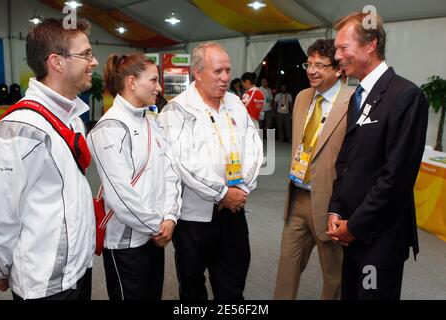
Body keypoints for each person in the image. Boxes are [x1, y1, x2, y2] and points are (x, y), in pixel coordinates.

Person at [327, 12, 428, 300]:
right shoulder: (359, 95)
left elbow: (396, 177)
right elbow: (347, 160)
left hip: (380, 237)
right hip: (351, 231)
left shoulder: (406, 96)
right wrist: (336, 210)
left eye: (343, 48)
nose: (337, 56)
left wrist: (355, 226)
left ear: (370, 45)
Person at [0, 18, 97, 300]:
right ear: (56, 62)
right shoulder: (19, 128)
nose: (94, 62)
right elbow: (2, 211)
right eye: (86, 54)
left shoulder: (73, 117)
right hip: (44, 284)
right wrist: (0, 269)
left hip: (78, 270)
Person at [158, 42, 263, 300]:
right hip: (194, 218)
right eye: (218, 71)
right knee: (192, 286)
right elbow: (183, 162)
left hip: (234, 211)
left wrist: (240, 188)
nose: (225, 78)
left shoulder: (236, 104)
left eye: (228, 70)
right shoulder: (177, 110)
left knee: (233, 283)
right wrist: (222, 193)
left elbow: (254, 146)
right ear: (198, 72)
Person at [87, 53, 182, 300]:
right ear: (131, 82)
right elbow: (121, 195)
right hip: (126, 246)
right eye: (153, 80)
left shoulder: (151, 120)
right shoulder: (108, 128)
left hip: (155, 236)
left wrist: (170, 216)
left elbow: (170, 172)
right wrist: (157, 227)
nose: (159, 88)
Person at [274, 39, 353, 300]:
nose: (312, 70)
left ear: (339, 69)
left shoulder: (353, 102)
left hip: (331, 204)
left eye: (320, 65)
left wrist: (344, 208)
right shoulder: (302, 97)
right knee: (286, 269)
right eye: (309, 63)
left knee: (334, 277)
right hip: (296, 196)